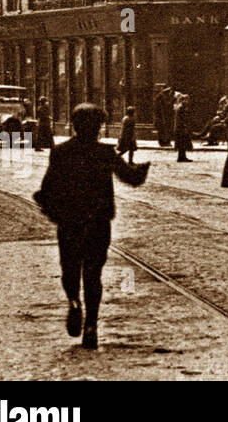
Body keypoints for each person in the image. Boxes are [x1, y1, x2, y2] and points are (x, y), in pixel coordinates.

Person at [33, 103, 150, 349]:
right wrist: (143, 170)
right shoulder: (105, 153)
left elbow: (47, 189)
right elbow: (132, 178)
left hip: (70, 222)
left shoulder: (61, 152)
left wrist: (46, 203)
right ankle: (91, 326)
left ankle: (74, 302)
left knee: (71, 269)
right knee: (93, 274)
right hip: (98, 222)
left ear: (74, 126)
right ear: (98, 127)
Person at [173, 93, 193, 162]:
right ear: (183, 100)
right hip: (180, 128)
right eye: (186, 100)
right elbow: (180, 119)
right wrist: (184, 126)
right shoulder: (181, 108)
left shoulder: (181, 107)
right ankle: (181, 157)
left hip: (180, 127)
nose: (187, 101)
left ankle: (182, 157)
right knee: (181, 143)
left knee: (182, 144)